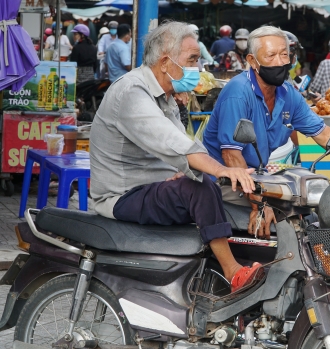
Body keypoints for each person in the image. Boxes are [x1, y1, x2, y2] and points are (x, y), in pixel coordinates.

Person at [90, 21, 263, 293]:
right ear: (165, 61)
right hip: (122, 195)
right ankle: (232, 273)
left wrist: (204, 172)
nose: (197, 68)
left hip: (154, 187)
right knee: (202, 188)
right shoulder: (132, 91)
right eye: (192, 59)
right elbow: (173, 143)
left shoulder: (167, 94)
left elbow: (183, 146)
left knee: (216, 190)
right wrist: (221, 170)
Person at [203, 26, 330, 238]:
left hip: (254, 175)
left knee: (308, 203)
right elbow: (231, 155)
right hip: (223, 178)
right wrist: (259, 205)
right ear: (253, 62)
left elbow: (325, 134)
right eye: (271, 55)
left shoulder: (287, 94)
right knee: (287, 214)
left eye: (284, 54)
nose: (281, 62)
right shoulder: (238, 93)